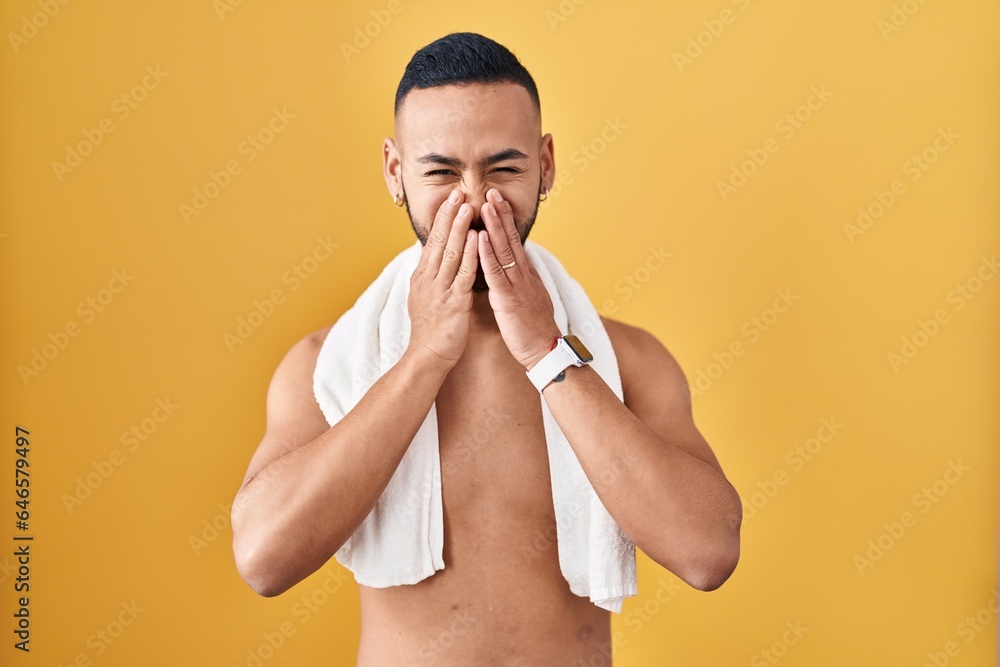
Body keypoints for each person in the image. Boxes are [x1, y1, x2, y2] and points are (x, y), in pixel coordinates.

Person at [231, 32, 742, 666]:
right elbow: (262, 560)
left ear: (546, 165)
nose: (473, 200)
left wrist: (549, 354)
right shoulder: (325, 364)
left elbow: (708, 552)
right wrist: (422, 357)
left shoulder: (627, 361)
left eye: (502, 169)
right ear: (396, 173)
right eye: (441, 171)